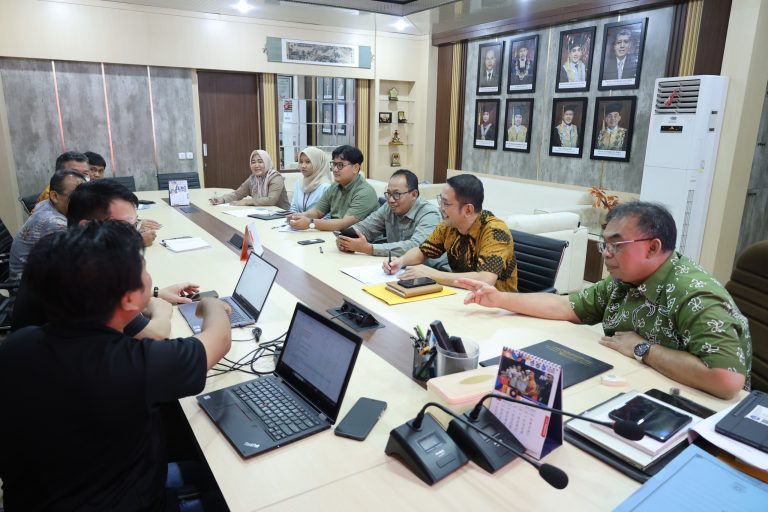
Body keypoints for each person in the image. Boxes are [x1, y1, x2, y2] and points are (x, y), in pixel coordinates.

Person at [0, 220, 232, 510]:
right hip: (124, 500)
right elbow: (219, 340)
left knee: (198, 469)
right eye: (144, 269)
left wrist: (156, 298)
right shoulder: (133, 365)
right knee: (231, 488)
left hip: (45, 494)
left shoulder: (17, 344)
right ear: (129, 299)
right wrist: (210, 304)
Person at [458, 202, 752, 400]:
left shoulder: (694, 294)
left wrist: (643, 349)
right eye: (605, 244)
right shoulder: (624, 280)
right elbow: (566, 306)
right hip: (632, 384)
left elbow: (726, 380)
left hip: (692, 407)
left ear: (653, 248)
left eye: (617, 245)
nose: (606, 253)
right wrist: (500, 298)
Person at [11, 179, 197, 341]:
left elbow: (122, 304)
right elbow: (155, 334)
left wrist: (155, 294)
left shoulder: (61, 248)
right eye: (124, 226)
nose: (133, 235)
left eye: (134, 225)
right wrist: (161, 309)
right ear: (87, 226)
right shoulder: (85, 272)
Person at [383, 174, 518, 292]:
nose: (440, 208)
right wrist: (400, 262)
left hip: (498, 306)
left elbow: (485, 279)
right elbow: (423, 251)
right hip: (460, 295)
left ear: (468, 210)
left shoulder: (495, 231)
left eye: (446, 204)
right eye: (440, 201)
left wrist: (432, 275)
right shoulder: (449, 225)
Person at [336, 169, 440, 258]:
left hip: (431, 270)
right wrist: (345, 239)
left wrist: (370, 248)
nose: (391, 200)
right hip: (398, 266)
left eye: (396, 194)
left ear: (414, 194)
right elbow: (366, 227)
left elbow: (416, 247)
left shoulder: (430, 214)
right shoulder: (389, 207)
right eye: (389, 194)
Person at [9, 169, 85, 280]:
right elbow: (70, 263)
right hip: (27, 284)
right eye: (76, 195)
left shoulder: (46, 203)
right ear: (55, 196)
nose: (82, 200)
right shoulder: (54, 222)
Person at [287, 145, 379, 231]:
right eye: (334, 164)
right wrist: (296, 216)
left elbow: (344, 224)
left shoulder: (364, 192)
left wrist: (310, 223)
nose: (335, 169)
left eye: (340, 165)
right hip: (338, 235)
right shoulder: (335, 186)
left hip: (362, 239)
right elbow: (317, 212)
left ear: (355, 168)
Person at [210, 149, 290, 209]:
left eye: (260, 162)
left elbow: (271, 200)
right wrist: (222, 199)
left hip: (281, 215)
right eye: (253, 162)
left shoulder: (275, 177)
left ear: (267, 162)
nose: (256, 165)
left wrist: (246, 202)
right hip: (261, 213)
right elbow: (238, 194)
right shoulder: (253, 179)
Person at [289, 146, 331, 213]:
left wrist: (306, 219)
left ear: (318, 163)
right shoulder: (299, 183)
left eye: (308, 162)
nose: (303, 166)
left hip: (317, 220)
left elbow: (327, 215)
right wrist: (293, 217)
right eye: (301, 162)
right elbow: (293, 207)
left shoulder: (326, 187)